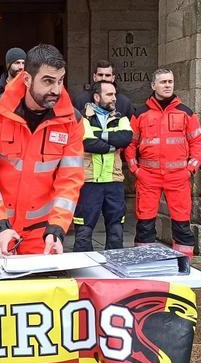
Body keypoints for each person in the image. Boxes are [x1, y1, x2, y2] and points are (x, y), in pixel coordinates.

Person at [0, 44, 85, 255]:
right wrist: (0, 227)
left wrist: (57, 229)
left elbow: (70, 180)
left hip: (41, 236)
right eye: (48, 81)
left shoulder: (72, 121)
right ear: (27, 79)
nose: (56, 90)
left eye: (60, 81)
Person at [124, 68, 201, 259]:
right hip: (148, 176)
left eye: (170, 81)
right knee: (145, 224)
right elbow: (130, 143)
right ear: (153, 86)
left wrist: (190, 169)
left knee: (182, 224)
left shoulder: (186, 113)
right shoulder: (141, 113)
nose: (167, 85)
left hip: (178, 177)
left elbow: (197, 141)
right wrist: (135, 169)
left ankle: (183, 264)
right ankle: (145, 262)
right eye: (163, 82)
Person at [73, 80, 133, 252]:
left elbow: (126, 138)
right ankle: (82, 269)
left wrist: (100, 136)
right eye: (109, 94)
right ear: (97, 97)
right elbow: (88, 143)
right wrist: (113, 145)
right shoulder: (82, 117)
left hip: (113, 180)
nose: (114, 98)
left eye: (114, 94)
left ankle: (114, 269)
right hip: (89, 181)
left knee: (116, 229)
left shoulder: (120, 117)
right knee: (84, 229)